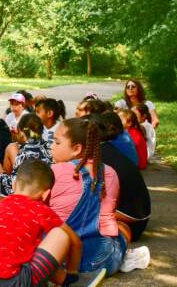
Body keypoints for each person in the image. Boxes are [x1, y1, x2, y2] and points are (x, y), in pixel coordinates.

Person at [0, 159, 85, 287]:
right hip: (15, 283)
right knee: (59, 234)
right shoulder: (40, 209)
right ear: (46, 194)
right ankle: (69, 281)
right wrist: (72, 271)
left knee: (29, 249)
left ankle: (61, 279)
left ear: (14, 185)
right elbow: (75, 242)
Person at [49, 117, 128, 276]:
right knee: (123, 229)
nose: (52, 147)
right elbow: (107, 216)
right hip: (103, 262)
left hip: (60, 259)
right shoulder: (111, 173)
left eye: (57, 143)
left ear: (77, 148)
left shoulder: (53, 172)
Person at [94, 113, 151, 241]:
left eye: (58, 142)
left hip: (129, 222)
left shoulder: (98, 158)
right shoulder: (107, 149)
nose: (52, 146)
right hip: (139, 218)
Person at [0, 114, 53, 197]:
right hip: (45, 191)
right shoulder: (49, 148)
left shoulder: (23, 154)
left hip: (30, 194)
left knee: (11, 147)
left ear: (21, 132)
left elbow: (13, 189)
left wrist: (0, 173)